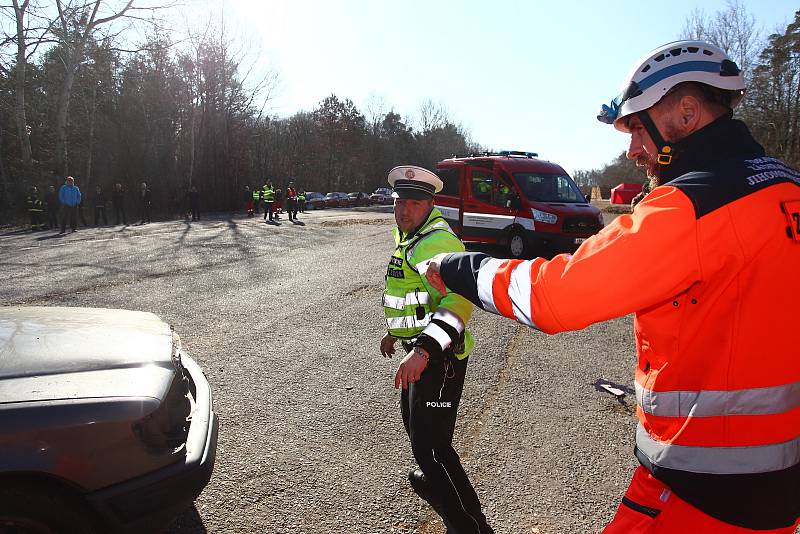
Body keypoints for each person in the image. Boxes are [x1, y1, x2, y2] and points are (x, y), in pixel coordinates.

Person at [423, 40, 800, 533]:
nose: (632, 150)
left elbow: (554, 296)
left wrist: (462, 270)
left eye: (637, 128)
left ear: (686, 113)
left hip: (700, 486)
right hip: (777, 489)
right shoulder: (787, 188)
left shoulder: (690, 207)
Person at [380, 165, 494, 534]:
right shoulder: (410, 236)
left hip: (440, 358)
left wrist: (425, 350)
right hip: (420, 350)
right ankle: (436, 483)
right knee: (419, 436)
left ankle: (471, 527)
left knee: (433, 448)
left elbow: (458, 301)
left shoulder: (436, 243)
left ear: (431, 204)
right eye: (399, 202)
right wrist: (395, 334)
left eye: (413, 203)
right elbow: (410, 295)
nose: (403, 210)